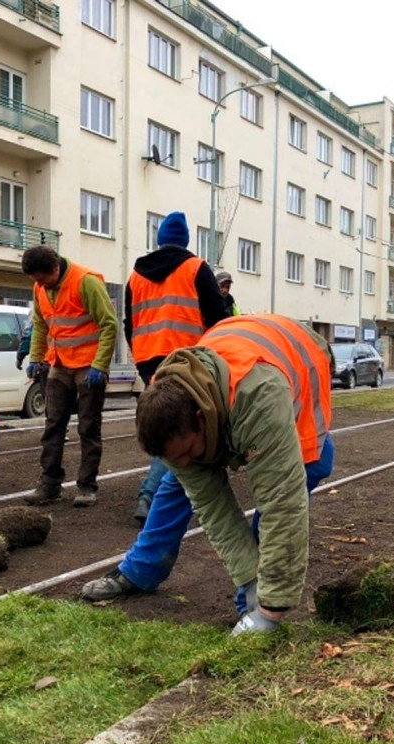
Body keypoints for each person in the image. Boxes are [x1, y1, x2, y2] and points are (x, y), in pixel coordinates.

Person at [82, 314, 334, 636]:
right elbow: (214, 508)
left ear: (201, 419)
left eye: (186, 451)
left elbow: (281, 501)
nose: (184, 461)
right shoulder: (168, 401)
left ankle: (263, 600)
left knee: (304, 465)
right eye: (175, 456)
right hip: (235, 346)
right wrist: (249, 578)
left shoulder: (259, 398)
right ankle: (143, 568)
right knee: (177, 482)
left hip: (300, 357)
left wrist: (270, 607)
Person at [125, 211, 228, 522]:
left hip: (147, 357)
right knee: (179, 424)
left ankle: (159, 490)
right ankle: (151, 494)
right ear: (185, 240)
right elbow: (217, 317)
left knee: (163, 419)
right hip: (186, 358)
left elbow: (130, 324)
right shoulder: (196, 268)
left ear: (159, 240)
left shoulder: (136, 276)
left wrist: (141, 356)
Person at [22, 246, 118, 508]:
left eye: (43, 279)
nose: (40, 285)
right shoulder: (40, 288)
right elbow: (42, 325)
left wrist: (100, 364)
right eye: (36, 282)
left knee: (88, 426)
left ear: (55, 268)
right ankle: (49, 485)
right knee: (53, 424)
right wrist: (35, 356)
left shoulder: (85, 282)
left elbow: (109, 324)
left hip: (88, 366)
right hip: (60, 364)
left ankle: (86, 486)